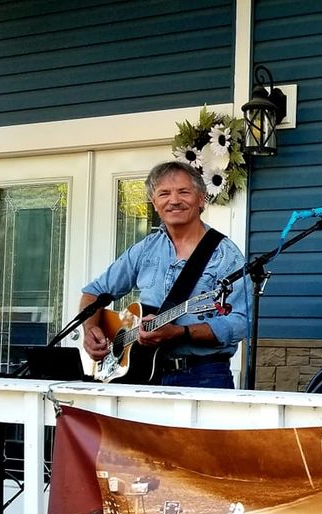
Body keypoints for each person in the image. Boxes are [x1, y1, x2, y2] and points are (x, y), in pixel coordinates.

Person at [81, 161, 249, 388]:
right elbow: (93, 293)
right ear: (155, 203)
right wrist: (91, 331)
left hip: (204, 375)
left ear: (201, 199)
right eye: (164, 194)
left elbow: (240, 322)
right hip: (142, 375)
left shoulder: (226, 255)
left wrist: (181, 332)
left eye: (183, 192)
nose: (174, 200)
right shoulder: (146, 249)